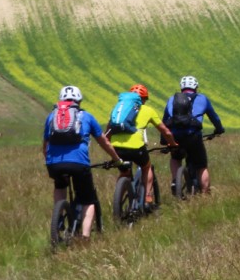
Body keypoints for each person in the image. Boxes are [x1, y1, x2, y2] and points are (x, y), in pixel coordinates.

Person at [43, 84, 125, 239]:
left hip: (54, 163)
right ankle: (85, 237)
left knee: (60, 186)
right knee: (88, 200)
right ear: (79, 101)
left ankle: (59, 217)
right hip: (79, 163)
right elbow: (104, 142)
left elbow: (45, 144)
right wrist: (117, 159)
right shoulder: (86, 116)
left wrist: (49, 162)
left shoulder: (51, 116)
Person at [106, 83, 178, 212]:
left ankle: (118, 203)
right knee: (146, 167)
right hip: (136, 147)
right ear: (143, 99)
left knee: (124, 172)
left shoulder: (118, 109)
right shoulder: (147, 110)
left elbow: (108, 131)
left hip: (116, 147)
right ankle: (147, 198)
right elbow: (165, 131)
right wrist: (172, 144)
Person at [163, 75, 224, 195]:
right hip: (193, 136)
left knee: (175, 157)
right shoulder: (202, 99)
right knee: (201, 165)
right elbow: (214, 117)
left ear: (181, 87)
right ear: (196, 87)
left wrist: (165, 141)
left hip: (175, 136)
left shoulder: (172, 99)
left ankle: (176, 180)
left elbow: (165, 121)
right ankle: (205, 193)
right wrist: (219, 129)